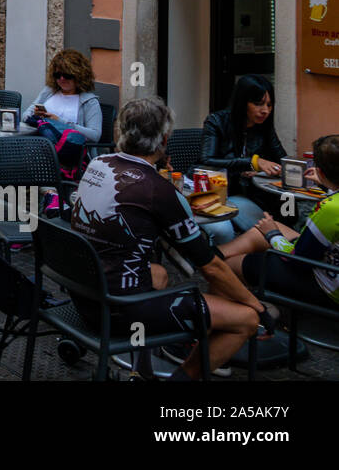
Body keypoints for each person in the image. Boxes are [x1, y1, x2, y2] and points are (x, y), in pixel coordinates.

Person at [71, 97, 271, 379]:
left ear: (120, 132)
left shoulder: (98, 163)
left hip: (84, 293)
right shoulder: (158, 190)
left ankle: (141, 372)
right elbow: (209, 266)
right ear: (165, 139)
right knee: (245, 321)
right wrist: (258, 307)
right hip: (121, 309)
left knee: (159, 273)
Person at [222, 135, 339, 311]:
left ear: (321, 171)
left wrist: (272, 234)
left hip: (326, 286)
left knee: (227, 268)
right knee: (259, 232)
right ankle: (211, 258)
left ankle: (238, 319)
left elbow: (296, 259)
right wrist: (327, 184)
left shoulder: (331, 209)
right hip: (327, 261)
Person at [201, 73, 288, 230]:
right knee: (225, 231)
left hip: (250, 193)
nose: (265, 111)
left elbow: (283, 160)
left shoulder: (265, 127)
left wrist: (272, 169)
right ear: (242, 102)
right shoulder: (216, 121)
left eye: (269, 105)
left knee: (286, 215)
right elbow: (207, 160)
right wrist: (252, 163)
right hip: (213, 190)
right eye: (258, 104)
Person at [23, 48, 104, 175]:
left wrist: (60, 122)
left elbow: (95, 136)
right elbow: (25, 115)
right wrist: (37, 117)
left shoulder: (89, 101)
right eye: (57, 75)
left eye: (67, 75)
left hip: (69, 154)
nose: (61, 79)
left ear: (79, 75)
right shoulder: (49, 91)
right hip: (40, 147)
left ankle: (48, 190)